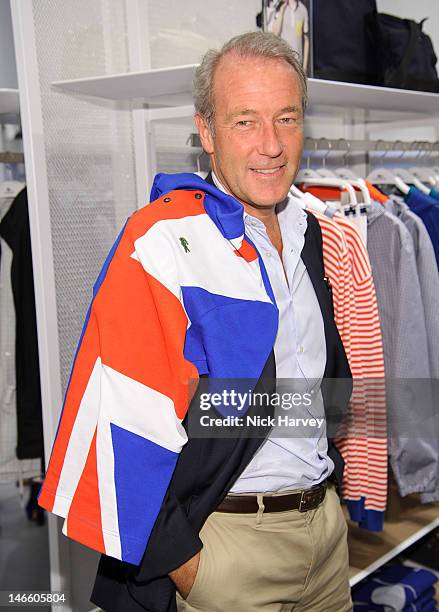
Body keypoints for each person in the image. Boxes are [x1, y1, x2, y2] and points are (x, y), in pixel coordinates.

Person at [38, 32, 352, 611]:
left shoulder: (312, 229)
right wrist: (186, 564)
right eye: (245, 122)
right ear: (206, 132)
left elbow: (312, 385)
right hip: (227, 552)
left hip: (326, 539)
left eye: (286, 118)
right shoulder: (161, 241)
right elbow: (120, 418)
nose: (272, 145)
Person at [267, 0, 310, 74]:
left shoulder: (303, 10)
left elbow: (306, 39)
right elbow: (275, 33)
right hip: (282, 60)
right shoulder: (279, 7)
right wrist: (282, 10)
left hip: (297, 62)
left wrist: (305, 67)